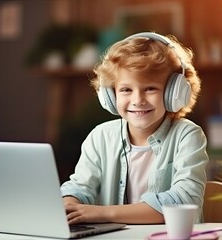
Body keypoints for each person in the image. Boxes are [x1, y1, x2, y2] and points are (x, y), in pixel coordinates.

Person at [60, 32, 208, 225]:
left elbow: (183, 201)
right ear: (110, 95)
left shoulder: (187, 136)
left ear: (175, 92)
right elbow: (80, 187)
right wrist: (70, 205)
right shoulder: (100, 137)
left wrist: (103, 213)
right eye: (126, 90)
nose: (138, 100)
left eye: (150, 88)